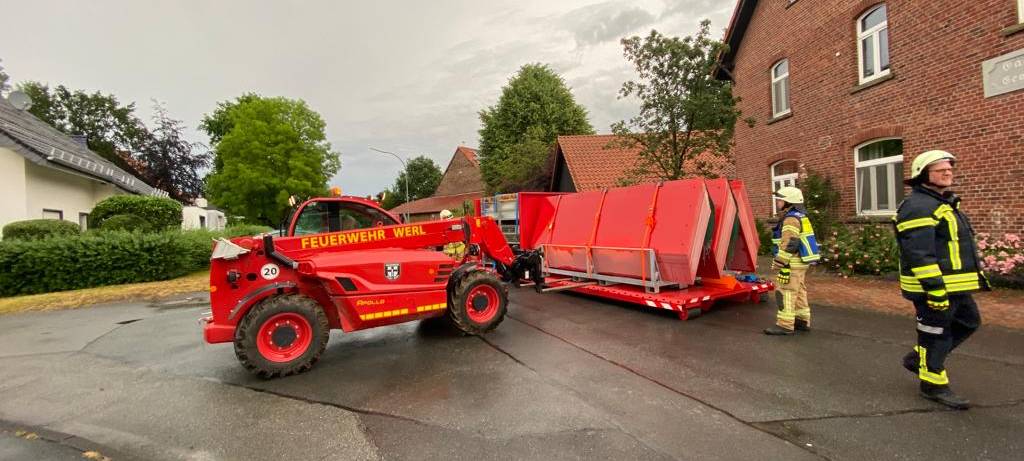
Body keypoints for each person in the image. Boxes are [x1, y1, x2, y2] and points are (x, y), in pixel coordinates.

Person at [895, 150, 989, 409]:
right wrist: (935, 289)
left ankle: (920, 360)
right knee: (934, 335)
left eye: (949, 168)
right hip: (934, 288)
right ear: (923, 175)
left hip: (954, 286)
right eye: (940, 169)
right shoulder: (918, 207)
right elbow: (919, 253)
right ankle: (933, 384)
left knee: (968, 322)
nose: (948, 172)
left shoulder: (941, 203)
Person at [765, 186, 820, 335]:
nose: (778, 202)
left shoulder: (790, 219)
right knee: (799, 291)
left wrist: (779, 261)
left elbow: (789, 243)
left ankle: (785, 325)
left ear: (789, 202)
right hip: (801, 262)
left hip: (791, 263)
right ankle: (802, 320)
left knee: (785, 292)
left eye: (780, 200)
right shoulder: (800, 216)